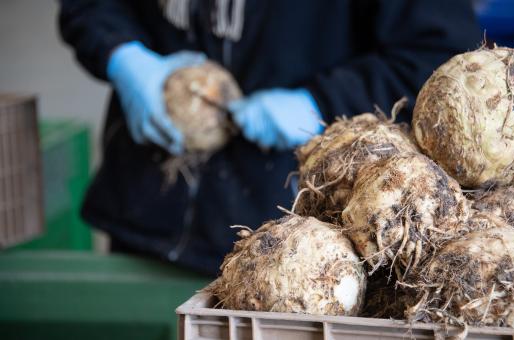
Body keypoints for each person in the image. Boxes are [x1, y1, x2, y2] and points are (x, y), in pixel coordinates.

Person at [59, 0, 481, 276]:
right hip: (146, 205)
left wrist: (319, 102)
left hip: (294, 237)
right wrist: (123, 55)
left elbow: (436, 51)